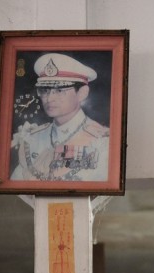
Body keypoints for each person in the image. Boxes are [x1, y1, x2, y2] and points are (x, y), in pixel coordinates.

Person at [10, 53, 111, 182]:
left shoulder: (102, 141)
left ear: (82, 93)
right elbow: (17, 186)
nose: (49, 98)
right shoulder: (32, 139)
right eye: (45, 90)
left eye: (60, 91)